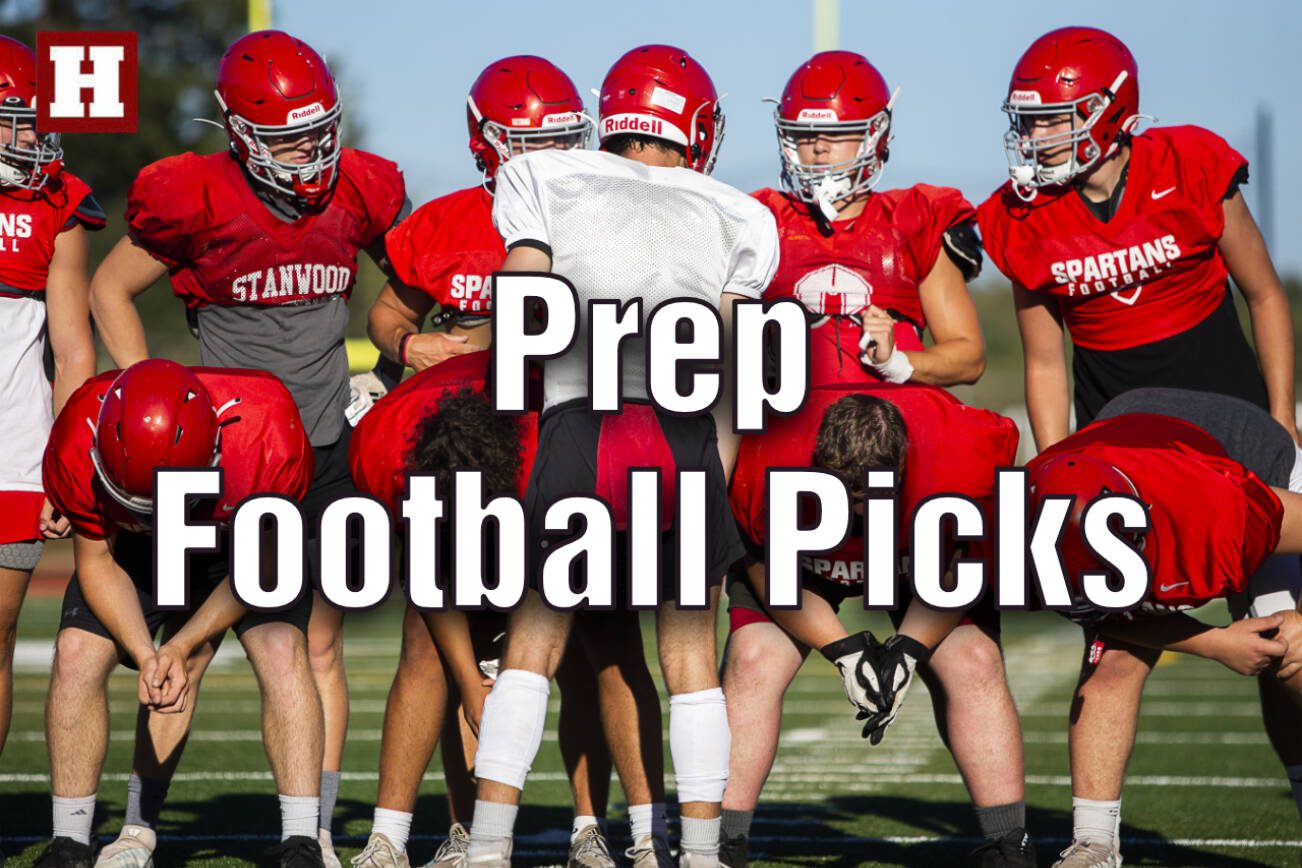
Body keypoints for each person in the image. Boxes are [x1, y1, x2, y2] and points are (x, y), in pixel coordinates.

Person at [86, 30, 408, 866]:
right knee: (180, 645)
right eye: (289, 136)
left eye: (319, 129)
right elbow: (108, 287)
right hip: (220, 458)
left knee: (312, 646)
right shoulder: (199, 196)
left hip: (324, 447)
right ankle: (138, 826)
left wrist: (399, 353)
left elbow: (410, 286)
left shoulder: (359, 190)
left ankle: (313, 832)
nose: (311, 151)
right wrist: (144, 387)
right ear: (239, 134)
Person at [461, 44, 779, 868]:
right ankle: (701, 854)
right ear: (697, 126)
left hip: (580, 423)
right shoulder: (740, 212)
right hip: (679, 439)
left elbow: (523, 310)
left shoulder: (543, 177)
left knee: (534, 649)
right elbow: (737, 383)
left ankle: (490, 846)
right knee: (688, 661)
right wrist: (712, 480)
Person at [349, 350, 660, 868]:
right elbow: (434, 589)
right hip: (449, 451)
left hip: (569, 512)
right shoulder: (383, 452)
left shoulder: (566, 443)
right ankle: (394, 838)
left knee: (602, 645)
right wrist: (473, 683)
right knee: (423, 645)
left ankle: (603, 832)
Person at [722, 382, 1034, 867]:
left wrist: (909, 648)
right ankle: (724, 841)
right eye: (845, 494)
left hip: (917, 553)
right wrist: (842, 649)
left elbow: (956, 571)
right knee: (752, 659)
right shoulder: (766, 455)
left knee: (975, 661)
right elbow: (768, 573)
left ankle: (1009, 846)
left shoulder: (961, 453)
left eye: (868, 496)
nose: (856, 512)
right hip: (804, 557)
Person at [36, 359, 324, 868]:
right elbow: (98, 559)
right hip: (128, 548)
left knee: (282, 648)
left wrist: (183, 643)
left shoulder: (266, 432)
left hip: (238, 537)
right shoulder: (78, 430)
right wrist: (147, 651)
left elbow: (257, 572)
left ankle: (301, 841)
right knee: (76, 651)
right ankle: (70, 842)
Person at [976, 26, 1296, 452]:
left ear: (1105, 110)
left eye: (1052, 119)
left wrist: (1282, 418)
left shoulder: (1190, 166)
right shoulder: (1023, 214)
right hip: (1116, 431)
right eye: (1029, 121)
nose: (1034, 137)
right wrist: (1054, 460)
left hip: (1229, 411)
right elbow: (1044, 361)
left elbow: (1264, 294)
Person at [1024, 388, 1302, 868]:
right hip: (1118, 444)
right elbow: (1105, 617)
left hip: (1244, 450)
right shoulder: (1018, 521)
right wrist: (1214, 642)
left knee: (1290, 649)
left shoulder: (1220, 508)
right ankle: (1094, 844)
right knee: (1111, 654)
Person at [752, 50, 985, 390]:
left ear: (874, 136)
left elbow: (968, 356)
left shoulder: (916, 219)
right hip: (789, 423)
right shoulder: (760, 219)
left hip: (889, 423)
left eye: (837, 133)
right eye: (804, 133)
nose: (818, 147)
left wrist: (896, 362)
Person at [0, 35, 102, 782]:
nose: (35, 133)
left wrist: (63, 465)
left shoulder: (56, 205)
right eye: (17, 118)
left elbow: (72, 351)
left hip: (14, 446)